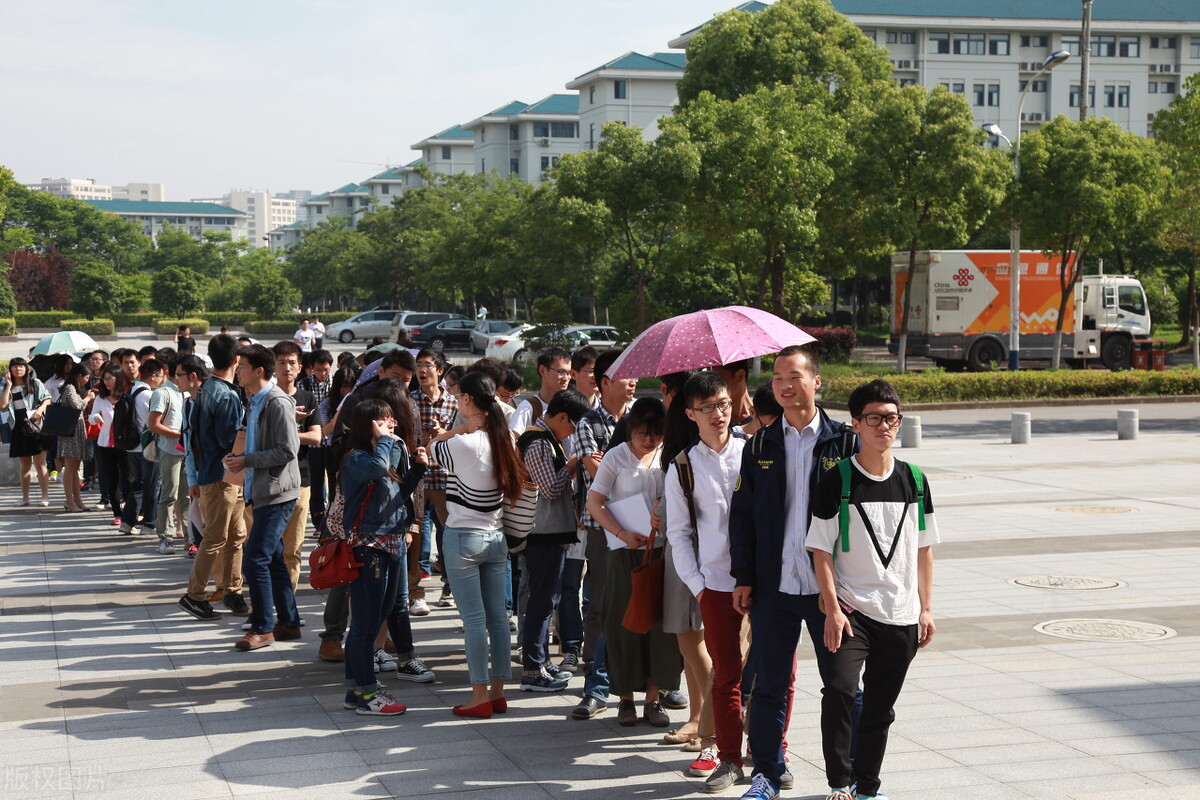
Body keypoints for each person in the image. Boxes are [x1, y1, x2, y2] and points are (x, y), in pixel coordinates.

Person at [729, 344, 858, 800]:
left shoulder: (844, 441)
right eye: (778, 377)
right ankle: (767, 773)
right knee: (768, 686)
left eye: (795, 376)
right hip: (774, 586)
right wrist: (743, 576)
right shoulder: (760, 444)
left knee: (842, 687)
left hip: (831, 592)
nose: (785, 385)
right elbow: (741, 516)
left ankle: (848, 778)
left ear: (816, 381)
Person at [809, 379, 937, 800]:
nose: (885, 425)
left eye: (892, 418)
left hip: (901, 614)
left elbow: (923, 550)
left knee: (880, 710)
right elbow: (820, 550)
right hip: (852, 611)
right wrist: (832, 608)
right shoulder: (838, 479)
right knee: (841, 691)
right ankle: (839, 782)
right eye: (875, 418)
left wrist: (926, 608)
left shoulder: (915, 480)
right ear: (856, 423)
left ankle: (868, 787)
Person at [664, 372, 749, 792]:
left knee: (766, 671)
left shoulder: (753, 453)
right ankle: (723, 751)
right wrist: (698, 585)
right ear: (690, 414)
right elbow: (678, 534)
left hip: (763, 583)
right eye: (708, 407)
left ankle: (768, 750)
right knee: (726, 673)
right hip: (715, 585)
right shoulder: (682, 466)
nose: (719, 414)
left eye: (723, 404)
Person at [431, 371, 527, 718]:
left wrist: (456, 429)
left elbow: (432, 448)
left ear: (468, 399)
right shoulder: (506, 440)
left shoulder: (462, 443)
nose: (456, 402)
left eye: (458, 397)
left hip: (463, 537)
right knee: (498, 619)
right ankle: (498, 693)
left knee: (473, 621)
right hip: (496, 536)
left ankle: (479, 695)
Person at [585, 397, 681, 728]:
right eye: (643, 433)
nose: (649, 441)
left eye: (656, 434)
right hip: (624, 551)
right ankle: (625, 699)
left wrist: (664, 513)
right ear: (631, 429)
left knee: (660, 626)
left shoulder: (668, 456)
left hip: (662, 551)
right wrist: (622, 532)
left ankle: (654, 699)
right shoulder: (615, 457)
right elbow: (595, 502)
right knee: (623, 623)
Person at [338, 399, 429, 715]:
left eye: (392, 420)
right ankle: (367, 692)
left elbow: (394, 499)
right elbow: (376, 469)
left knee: (379, 615)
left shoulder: (382, 456)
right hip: (369, 550)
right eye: (383, 420)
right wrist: (388, 442)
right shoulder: (357, 459)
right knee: (364, 624)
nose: (392, 425)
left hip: (391, 546)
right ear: (367, 426)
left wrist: (416, 471)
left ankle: (355, 690)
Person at [571, 348, 637, 720]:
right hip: (603, 528)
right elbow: (597, 475)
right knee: (600, 606)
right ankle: (596, 688)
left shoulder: (643, 417)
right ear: (607, 381)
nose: (634, 382)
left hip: (643, 530)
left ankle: (655, 686)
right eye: (627, 375)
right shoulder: (588, 422)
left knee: (645, 604)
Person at [221, 344, 302, 651]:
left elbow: (287, 450)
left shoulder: (277, 402)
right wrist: (240, 458)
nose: (237, 370)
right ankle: (289, 622)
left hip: (278, 491)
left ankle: (262, 627)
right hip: (263, 489)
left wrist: (247, 460)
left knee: (255, 558)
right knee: (273, 560)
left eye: (241, 366)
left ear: (258, 371)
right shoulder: (254, 400)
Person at [515, 388, 589, 692]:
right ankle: (532, 669)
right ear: (561, 417)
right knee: (541, 601)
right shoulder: (538, 442)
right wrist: (571, 466)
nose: (572, 433)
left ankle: (541, 661)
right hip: (542, 534)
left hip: (550, 532)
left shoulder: (547, 440)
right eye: (572, 426)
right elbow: (550, 489)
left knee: (548, 599)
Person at [178, 334, 249, 621]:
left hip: (216, 472)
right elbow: (227, 438)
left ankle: (232, 590)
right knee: (216, 537)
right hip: (223, 474)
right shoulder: (227, 394)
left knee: (236, 535)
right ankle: (194, 595)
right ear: (236, 360)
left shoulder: (205, 391)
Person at [270, 342, 321, 590]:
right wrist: (290, 426)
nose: (286, 368)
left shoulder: (307, 398)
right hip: (268, 481)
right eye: (281, 362)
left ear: (300, 368)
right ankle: (268, 598)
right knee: (268, 546)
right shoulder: (264, 398)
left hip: (301, 480)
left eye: (291, 363)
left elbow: (316, 437)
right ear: (273, 366)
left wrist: (285, 432)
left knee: (293, 547)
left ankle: (287, 602)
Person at [411, 349, 458, 616]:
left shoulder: (453, 402)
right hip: (416, 478)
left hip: (445, 476)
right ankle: (416, 593)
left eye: (427, 365)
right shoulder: (409, 400)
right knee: (415, 535)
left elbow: (463, 436)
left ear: (440, 371)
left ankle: (450, 586)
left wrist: (444, 435)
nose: (422, 370)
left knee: (450, 534)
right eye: (419, 365)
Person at [148, 353, 187, 553]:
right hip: (170, 450)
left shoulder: (189, 392)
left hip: (188, 452)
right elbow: (153, 425)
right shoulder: (163, 393)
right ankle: (165, 537)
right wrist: (178, 435)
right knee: (169, 494)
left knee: (188, 496)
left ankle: (191, 539)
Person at [2, 358, 52, 506]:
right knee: (24, 465)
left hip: (36, 425)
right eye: (15, 367)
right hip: (18, 427)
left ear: (26, 368)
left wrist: (40, 410)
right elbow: (3, 405)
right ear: (10, 370)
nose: (18, 369)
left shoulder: (35, 383)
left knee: (40, 464)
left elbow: (47, 399)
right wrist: (9, 385)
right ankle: (25, 498)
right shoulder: (7, 387)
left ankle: (45, 497)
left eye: (21, 366)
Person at [299, 349, 334, 531]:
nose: (323, 373)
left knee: (334, 481)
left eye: (326, 369)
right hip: (313, 442)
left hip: (332, 442)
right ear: (312, 368)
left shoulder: (335, 384)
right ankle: (319, 520)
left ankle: (332, 519)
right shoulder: (303, 385)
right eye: (319, 369)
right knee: (316, 482)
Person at [56, 362, 95, 513]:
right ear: (79, 376)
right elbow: (78, 406)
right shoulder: (70, 388)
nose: (87, 380)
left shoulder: (75, 389)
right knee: (70, 467)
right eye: (86, 377)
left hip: (76, 430)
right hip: (70, 432)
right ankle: (69, 500)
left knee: (75, 467)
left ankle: (77, 500)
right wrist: (88, 398)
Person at [90, 364, 126, 525]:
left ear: (118, 379)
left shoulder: (126, 396)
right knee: (112, 478)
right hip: (105, 443)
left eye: (111, 379)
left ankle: (131, 510)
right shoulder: (101, 398)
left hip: (124, 442)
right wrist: (95, 418)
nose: (107, 382)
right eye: (105, 379)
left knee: (128, 477)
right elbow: (91, 416)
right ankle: (117, 514)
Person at [508, 347, 571, 432]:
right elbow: (512, 440)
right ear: (543, 370)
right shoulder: (528, 408)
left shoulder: (571, 408)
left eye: (569, 373)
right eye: (561, 372)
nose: (566, 378)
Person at [713, 358, 754, 426]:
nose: (713, 386)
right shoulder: (711, 421)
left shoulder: (764, 419)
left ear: (740, 376)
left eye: (717, 379)